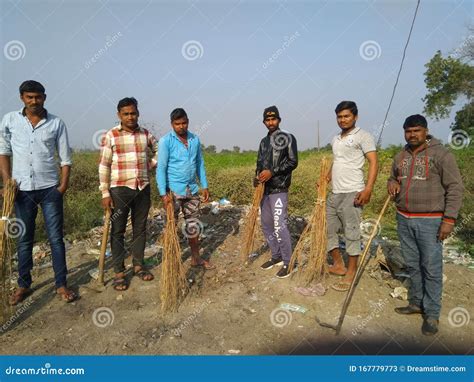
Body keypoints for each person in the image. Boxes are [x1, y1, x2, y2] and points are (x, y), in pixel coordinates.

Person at [0, 80, 76, 304]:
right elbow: (3, 152)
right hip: (21, 190)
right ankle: (24, 285)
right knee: (24, 240)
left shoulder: (56, 123)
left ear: (45, 97)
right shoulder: (10, 120)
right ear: (22, 98)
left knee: (56, 238)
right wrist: (6, 182)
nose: (34, 101)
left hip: (50, 189)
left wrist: (63, 185)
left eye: (38, 97)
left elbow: (65, 158)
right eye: (29, 97)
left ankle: (61, 284)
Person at [387, 114, 463, 335]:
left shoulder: (442, 154)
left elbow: (455, 188)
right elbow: (393, 177)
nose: (412, 135)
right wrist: (391, 183)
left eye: (417, 130)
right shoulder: (400, 156)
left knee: (431, 268)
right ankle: (416, 302)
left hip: (430, 221)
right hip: (404, 218)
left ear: (426, 131)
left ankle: (431, 314)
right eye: (408, 131)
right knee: (412, 265)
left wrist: (449, 220)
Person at [99, 97, 158, 291]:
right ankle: (118, 272)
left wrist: (151, 164)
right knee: (118, 231)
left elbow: (160, 151)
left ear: (138, 113)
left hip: (142, 188)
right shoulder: (111, 135)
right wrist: (105, 192)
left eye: (133, 113)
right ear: (119, 115)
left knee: (140, 228)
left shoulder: (146, 135)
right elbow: (104, 165)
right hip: (119, 190)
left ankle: (139, 265)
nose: (130, 117)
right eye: (126, 114)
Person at [326, 101, 378, 291]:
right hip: (335, 193)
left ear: (355, 117)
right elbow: (337, 160)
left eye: (346, 116)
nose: (342, 120)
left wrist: (368, 188)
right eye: (339, 117)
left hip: (353, 192)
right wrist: (327, 176)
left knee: (351, 232)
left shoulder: (363, 136)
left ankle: (351, 272)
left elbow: (373, 162)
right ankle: (338, 264)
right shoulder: (336, 139)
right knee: (329, 230)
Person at [157, 108, 214, 269]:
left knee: (193, 225)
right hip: (173, 190)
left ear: (188, 122)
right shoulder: (165, 141)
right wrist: (163, 194)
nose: (181, 126)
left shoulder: (194, 140)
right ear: (172, 124)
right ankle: (171, 259)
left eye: (184, 123)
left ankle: (196, 258)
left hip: (192, 189)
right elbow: (161, 168)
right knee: (171, 226)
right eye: (177, 124)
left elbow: (199, 164)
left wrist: (205, 185)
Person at [257, 106, 298, 279]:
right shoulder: (263, 142)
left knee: (279, 225)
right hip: (265, 190)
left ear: (279, 120)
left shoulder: (288, 138)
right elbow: (259, 164)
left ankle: (289, 262)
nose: (270, 122)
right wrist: (257, 177)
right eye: (267, 120)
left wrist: (272, 172)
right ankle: (276, 256)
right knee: (266, 225)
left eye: (273, 119)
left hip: (279, 188)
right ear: (264, 122)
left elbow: (293, 161)